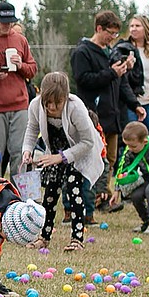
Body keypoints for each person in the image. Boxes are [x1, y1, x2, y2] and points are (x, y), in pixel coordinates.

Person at [20, 72, 103, 252]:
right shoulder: (35, 105)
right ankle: (44, 236)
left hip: (78, 152)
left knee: (74, 191)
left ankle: (77, 238)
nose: (51, 107)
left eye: (57, 103)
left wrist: (62, 157)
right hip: (54, 153)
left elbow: (87, 142)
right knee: (50, 194)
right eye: (47, 103)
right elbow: (32, 129)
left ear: (65, 97)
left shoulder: (76, 107)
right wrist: (27, 150)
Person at [71, 10, 144, 208]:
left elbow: (121, 84)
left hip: (112, 115)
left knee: (110, 160)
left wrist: (134, 104)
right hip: (93, 116)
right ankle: (93, 199)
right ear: (98, 28)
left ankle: (103, 196)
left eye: (115, 34)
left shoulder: (110, 52)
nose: (112, 38)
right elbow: (83, 79)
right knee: (95, 159)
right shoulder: (82, 52)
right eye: (109, 33)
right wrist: (111, 73)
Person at [0, 1, 38, 177]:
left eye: (10, 22)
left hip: (19, 105)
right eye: (3, 22)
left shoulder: (20, 39)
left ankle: (22, 199)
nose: (7, 26)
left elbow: (32, 69)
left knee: (21, 153)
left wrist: (21, 66)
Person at [123, 15, 149, 138]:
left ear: (145, 28)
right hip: (131, 103)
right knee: (133, 138)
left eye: (137, 26)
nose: (133, 29)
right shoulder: (124, 48)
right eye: (131, 26)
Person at [116, 120, 149, 234]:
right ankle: (145, 221)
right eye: (127, 145)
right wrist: (118, 189)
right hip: (147, 178)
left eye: (133, 146)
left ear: (144, 141)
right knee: (136, 195)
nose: (130, 149)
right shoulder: (129, 149)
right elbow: (122, 168)